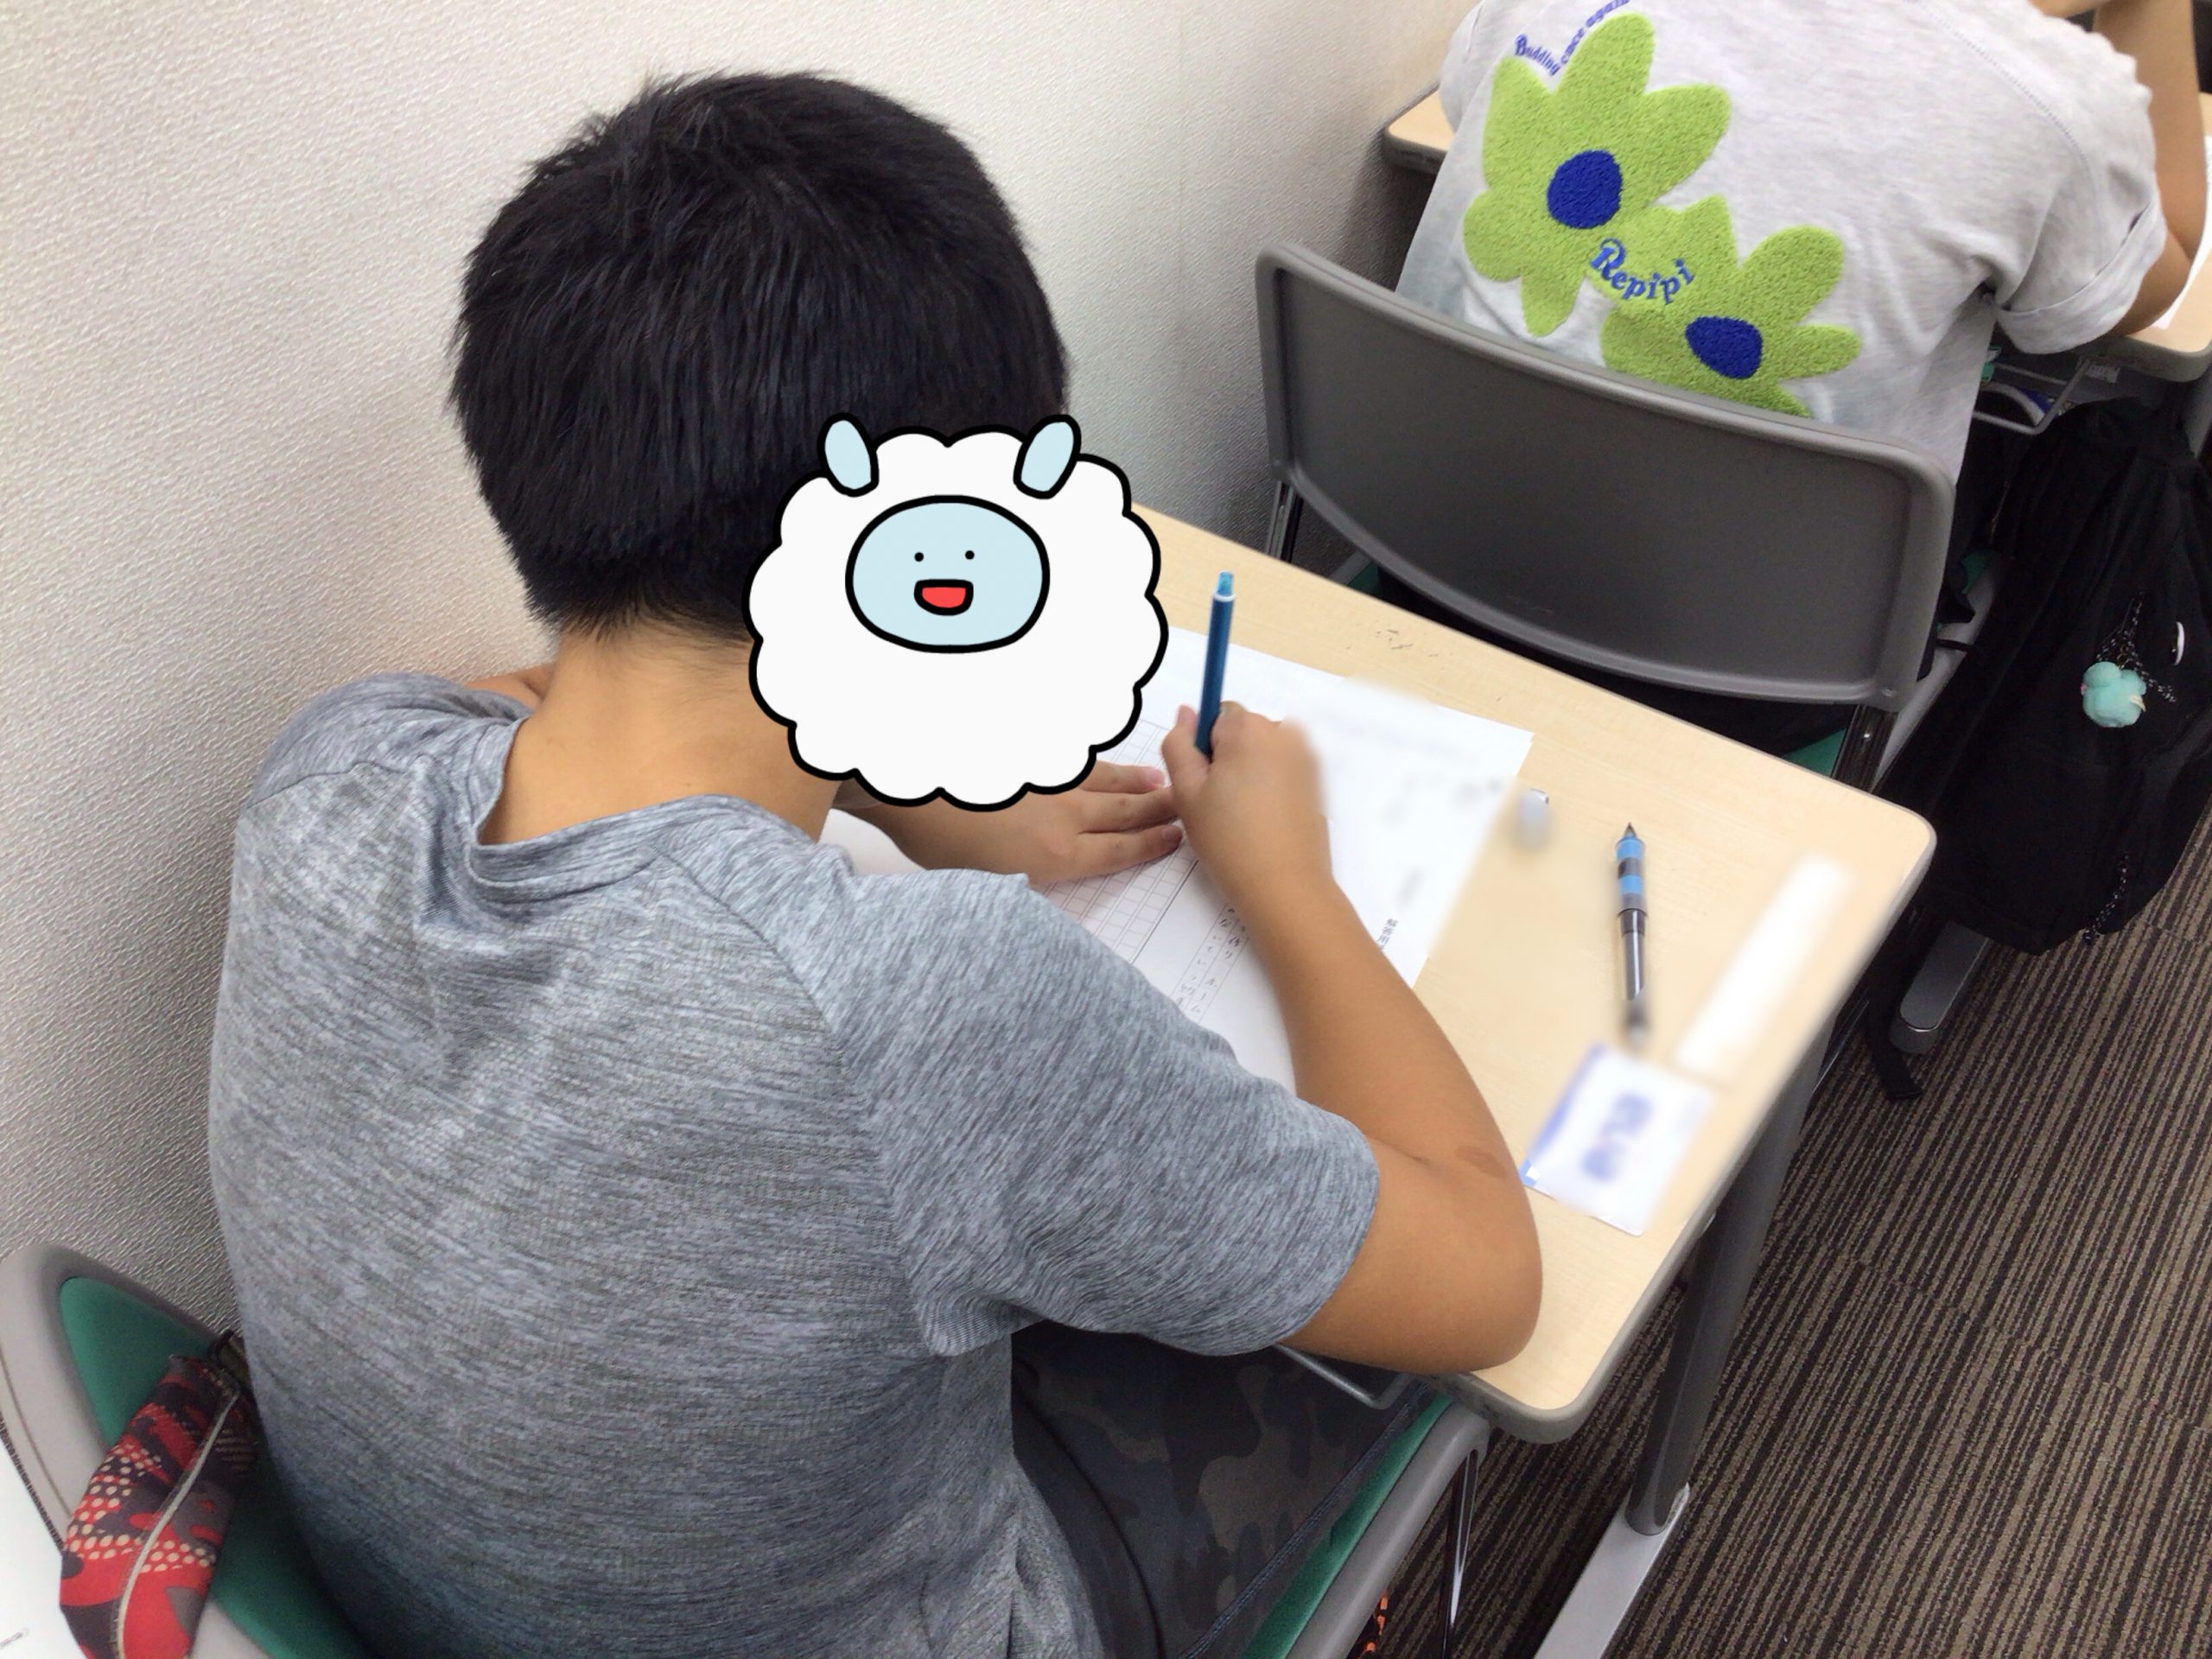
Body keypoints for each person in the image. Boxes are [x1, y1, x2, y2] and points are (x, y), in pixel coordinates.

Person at [206, 73, 1539, 1659]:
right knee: (1344, 1345)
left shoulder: (327, 777)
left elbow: (556, 704)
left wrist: (900, 786)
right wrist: (1291, 884)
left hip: (436, 1594)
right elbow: (1487, 1275)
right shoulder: (927, 1007)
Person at [1397, 0, 2205, 474]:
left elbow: (1472, 114)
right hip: (1752, 648)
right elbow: (2137, 295)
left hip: (1419, 523)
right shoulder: (2044, 103)